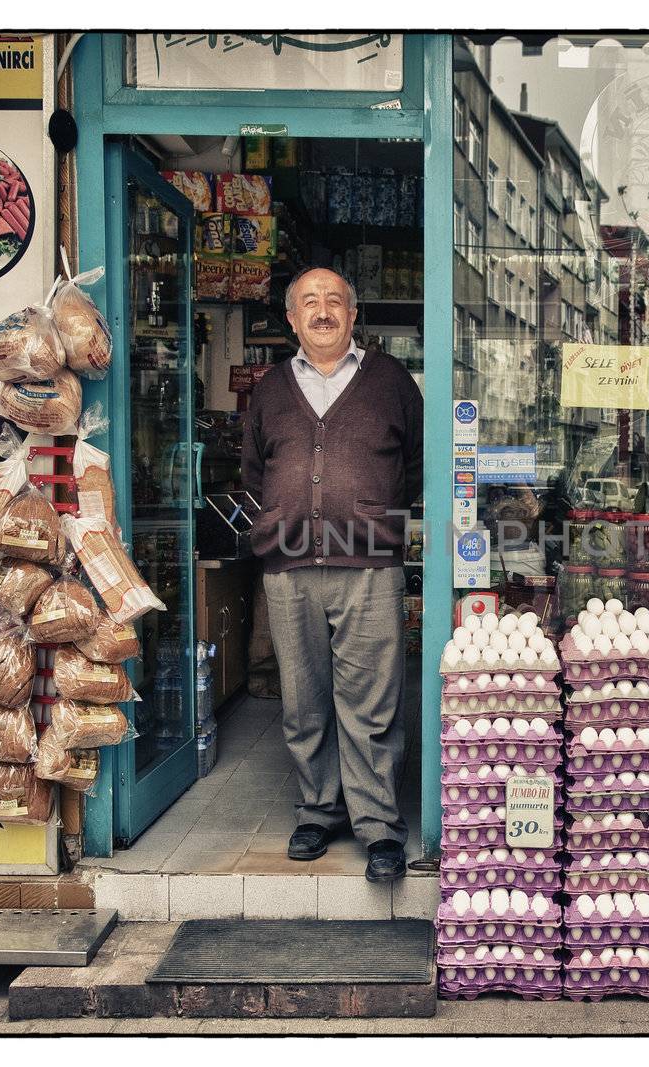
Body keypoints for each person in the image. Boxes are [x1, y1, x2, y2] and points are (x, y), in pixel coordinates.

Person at [241, 267, 423, 883]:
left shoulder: (391, 381)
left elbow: (417, 470)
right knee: (303, 699)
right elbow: (252, 471)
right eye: (309, 303)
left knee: (372, 703)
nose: (323, 311)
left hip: (369, 564)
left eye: (335, 301)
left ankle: (378, 826)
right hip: (289, 565)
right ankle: (318, 810)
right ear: (292, 319)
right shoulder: (269, 389)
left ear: (353, 314)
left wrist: (370, 517)